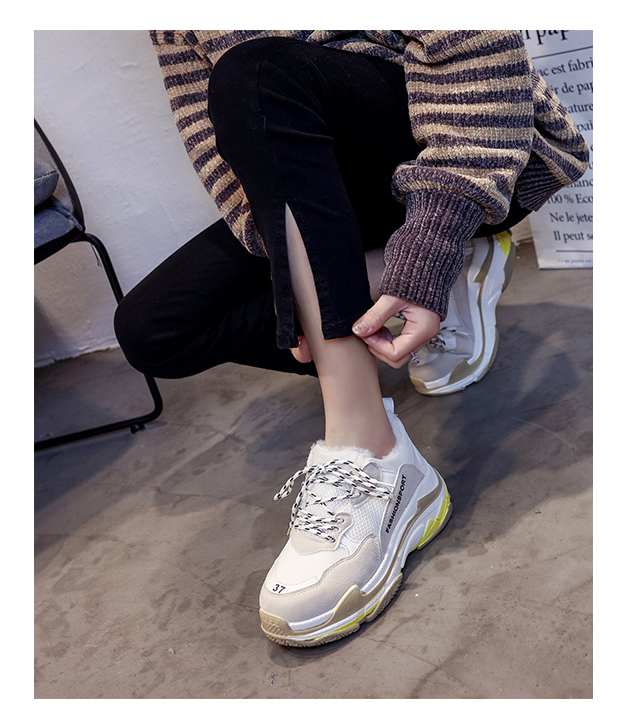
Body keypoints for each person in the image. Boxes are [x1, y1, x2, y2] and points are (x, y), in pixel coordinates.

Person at [115, 31, 589, 647]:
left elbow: (477, 51)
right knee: (155, 331)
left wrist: (432, 240)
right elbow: (212, 138)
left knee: (254, 71)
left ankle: (374, 450)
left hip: (456, 138)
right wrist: (296, 279)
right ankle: (429, 280)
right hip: (309, 178)